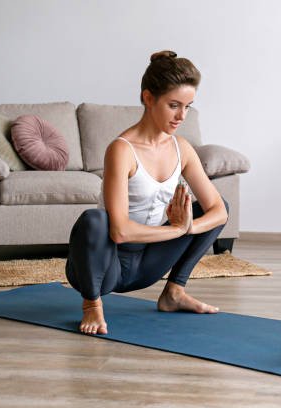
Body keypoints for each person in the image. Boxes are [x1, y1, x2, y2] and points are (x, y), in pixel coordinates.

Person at [65, 50, 229, 335]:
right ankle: (92, 305)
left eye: (188, 106)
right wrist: (178, 230)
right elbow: (120, 232)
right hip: (106, 268)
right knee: (94, 220)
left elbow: (219, 210)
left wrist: (187, 226)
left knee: (213, 208)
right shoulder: (121, 150)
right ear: (148, 98)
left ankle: (173, 293)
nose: (182, 116)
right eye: (174, 105)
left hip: (149, 262)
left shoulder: (183, 149)